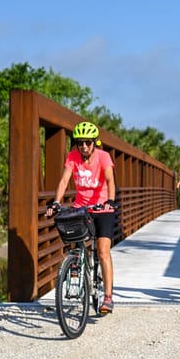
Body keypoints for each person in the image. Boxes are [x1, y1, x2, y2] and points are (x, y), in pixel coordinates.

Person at [46, 121, 118, 315]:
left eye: (87, 142)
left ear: (94, 142)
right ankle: (76, 268)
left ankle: (108, 297)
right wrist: (56, 202)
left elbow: (110, 180)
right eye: (80, 143)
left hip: (103, 208)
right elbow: (63, 180)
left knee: (103, 251)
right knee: (75, 243)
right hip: (81, 208)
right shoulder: (73, 157)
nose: (84, 146)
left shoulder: (103, 157)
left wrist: (110, 201)